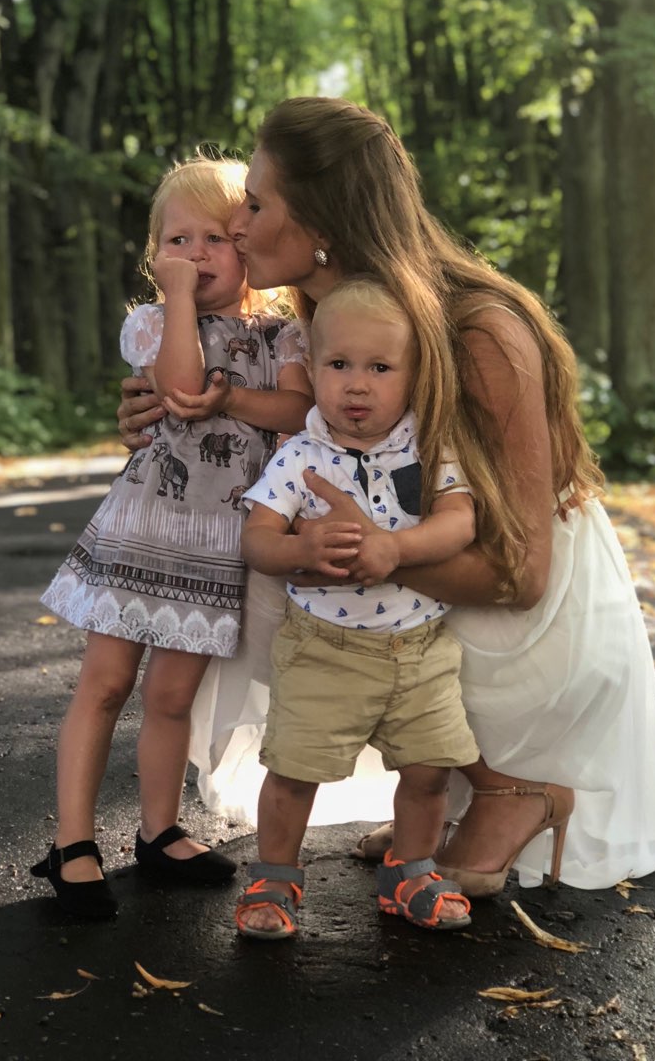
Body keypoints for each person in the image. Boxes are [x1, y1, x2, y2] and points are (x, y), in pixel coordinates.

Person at [117, 97, 655, 899]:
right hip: (419, 567)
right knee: (252, 566)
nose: (237, 228)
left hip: (531, 614)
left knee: (292, 579)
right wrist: (164, 419)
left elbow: (524, 576)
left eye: (255, 204)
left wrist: (372, 553)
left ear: (321, 218)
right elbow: (278, 459)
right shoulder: (328, 325)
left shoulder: (481, 332)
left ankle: (506, 785)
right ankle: (430, 788)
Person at [32, 153, 313, 918]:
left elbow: (296, 413)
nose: (196, 255)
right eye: (177, 242)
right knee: (105, 685)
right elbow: (183, 386)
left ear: (248, 247)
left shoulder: (283, 335)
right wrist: (180, 297)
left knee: (170, 695)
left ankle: (157, 831)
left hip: (217, 544)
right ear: (155, 258)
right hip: (143, 531)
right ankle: (73, 841)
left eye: (216, 238)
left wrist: (238, 398)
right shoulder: (155, 324)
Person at [235, 277, 479, 939]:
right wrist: (300, 547)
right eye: (339, 365)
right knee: (294, 771)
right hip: (324, 647)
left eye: (380, 368)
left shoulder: (429, 446)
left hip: (421, 647)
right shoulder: (301, 457)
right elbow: (256, 539)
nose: (357, 386)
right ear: (312, 370)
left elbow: (459, 521)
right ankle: (274, 878)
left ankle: (411, 872)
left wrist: (395, 549)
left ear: (413, 377)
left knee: (430, 769)